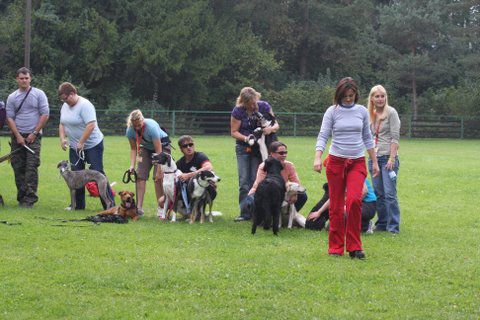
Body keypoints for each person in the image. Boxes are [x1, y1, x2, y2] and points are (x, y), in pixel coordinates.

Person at [313, 77, 379, 259]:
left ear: (356, 95)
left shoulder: (362, 112)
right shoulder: (332, 112)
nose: (349, 99)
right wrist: (318, 157)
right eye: (345, 96)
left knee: (354, 201)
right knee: (335, 205)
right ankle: (335, 247)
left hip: (357, 162)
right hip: (335, 162)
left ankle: (354, 247)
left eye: (352, 95)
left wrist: (373, 161)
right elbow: (323, 135)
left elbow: (367, 137)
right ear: (339, 95)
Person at [58, 82, 114, 210]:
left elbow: (91, 125)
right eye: (62, 99)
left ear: (72, 93)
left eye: (66, 98)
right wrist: (62, 138)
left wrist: (82, 142)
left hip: (92, 145)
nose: (64, 101)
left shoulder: (85, 105)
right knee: (75, 174)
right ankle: (78, 205)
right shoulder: (65, 106)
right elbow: (62, 124)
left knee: (98, 173)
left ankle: (110, 206)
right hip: (74, 146)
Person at [230, 87, 279, 221]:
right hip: (244, 149)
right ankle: (245, 213)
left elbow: (276, 125)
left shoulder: (264, 106)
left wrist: (270, 129)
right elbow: (234, 131)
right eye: (250, 103)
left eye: (254, 101)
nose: (253, 105)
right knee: (244, 181)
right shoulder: (238, 111)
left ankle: (258, 212)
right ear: (244, 102)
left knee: (256, 180)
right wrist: (246, 138)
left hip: (260, 149)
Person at [5, 67, 49, 208]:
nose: (24, 80)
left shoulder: (39, 94)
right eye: (21, 78)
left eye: (26, 78)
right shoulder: (12, 97)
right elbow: (9, 117)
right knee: (18, 167)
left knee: (31, 168)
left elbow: (45, 114)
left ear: (30, 78)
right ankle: (21, 197)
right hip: (17, 137)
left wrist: (34, 133)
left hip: (34, 137)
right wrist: (18, 136)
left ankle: (30, 199)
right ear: (17, 79)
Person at [240, 141, 308, 222]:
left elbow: (297, 184)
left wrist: (294, 193)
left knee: (302, 195)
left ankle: (286, 217)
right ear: (272, 154)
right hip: (262, 192)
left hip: (281, 192)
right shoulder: (264, 166)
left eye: (286, 152)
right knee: (253, 199)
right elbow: (258, 186)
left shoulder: (289, 165)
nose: (284, 155)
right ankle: (262, 219)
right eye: (281, 153)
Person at [367, 85, 401, 233]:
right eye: (377, 96)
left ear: (386, 97)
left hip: (388, 158)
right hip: (374, 159)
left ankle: (393, 226)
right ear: (372, 99)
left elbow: (395, 138)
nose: (380, 99)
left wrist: (392, 159)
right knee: (378, 193)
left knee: (389, 194)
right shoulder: (371, 114)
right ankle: (382, 223)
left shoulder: (391, 113)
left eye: (382, 96)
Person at [126, 109, 169, 217]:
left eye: (139, 125)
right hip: (145, 148)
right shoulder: (130, 130)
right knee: (140, 175)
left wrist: (159, 170)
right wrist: (131, 166)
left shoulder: (151, 127)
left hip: (161, 147)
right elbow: (133, 149)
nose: (137, 128)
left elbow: (158, 150)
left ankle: (161, 208)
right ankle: (139, 208)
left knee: (158, 178)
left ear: (142, 120)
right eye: (135, 126)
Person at [306, 177, 377, 234]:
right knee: (331, 228)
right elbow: (333, 198)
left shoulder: (353, 172)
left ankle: (366, 225)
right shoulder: (339, 176)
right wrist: (319, 212)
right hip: (353, 201)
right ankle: (355, 223)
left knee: (344, 213)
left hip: (368, 204)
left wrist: (347, 205)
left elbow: (364, 191)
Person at [173, 135, 217, 214]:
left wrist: (189, 175)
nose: (189, 147)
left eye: (191, 144)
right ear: (181, 149)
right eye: (185, 146)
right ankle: (189, 211)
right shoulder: (180, 163)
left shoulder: (200, 156)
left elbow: (209, 167)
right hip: (189, 192)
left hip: (207, 190)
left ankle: (198, 211)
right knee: (162, 201)